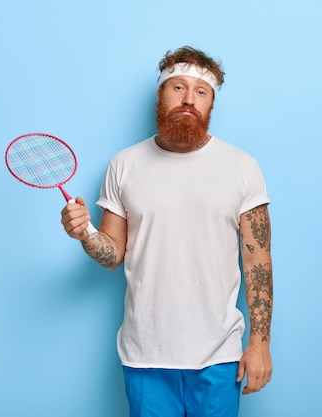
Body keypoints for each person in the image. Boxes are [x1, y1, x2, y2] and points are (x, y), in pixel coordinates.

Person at [61, 46, 273, 417]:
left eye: (201, 91)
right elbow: (113, 254)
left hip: (219, 355)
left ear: (211, 104)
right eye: (178, 87)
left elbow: (258, 261)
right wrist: (86, 235)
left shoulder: (241, 167)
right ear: (161, 94)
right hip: (145, 353)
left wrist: (260, 344)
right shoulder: (124, 164)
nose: (189, 99)